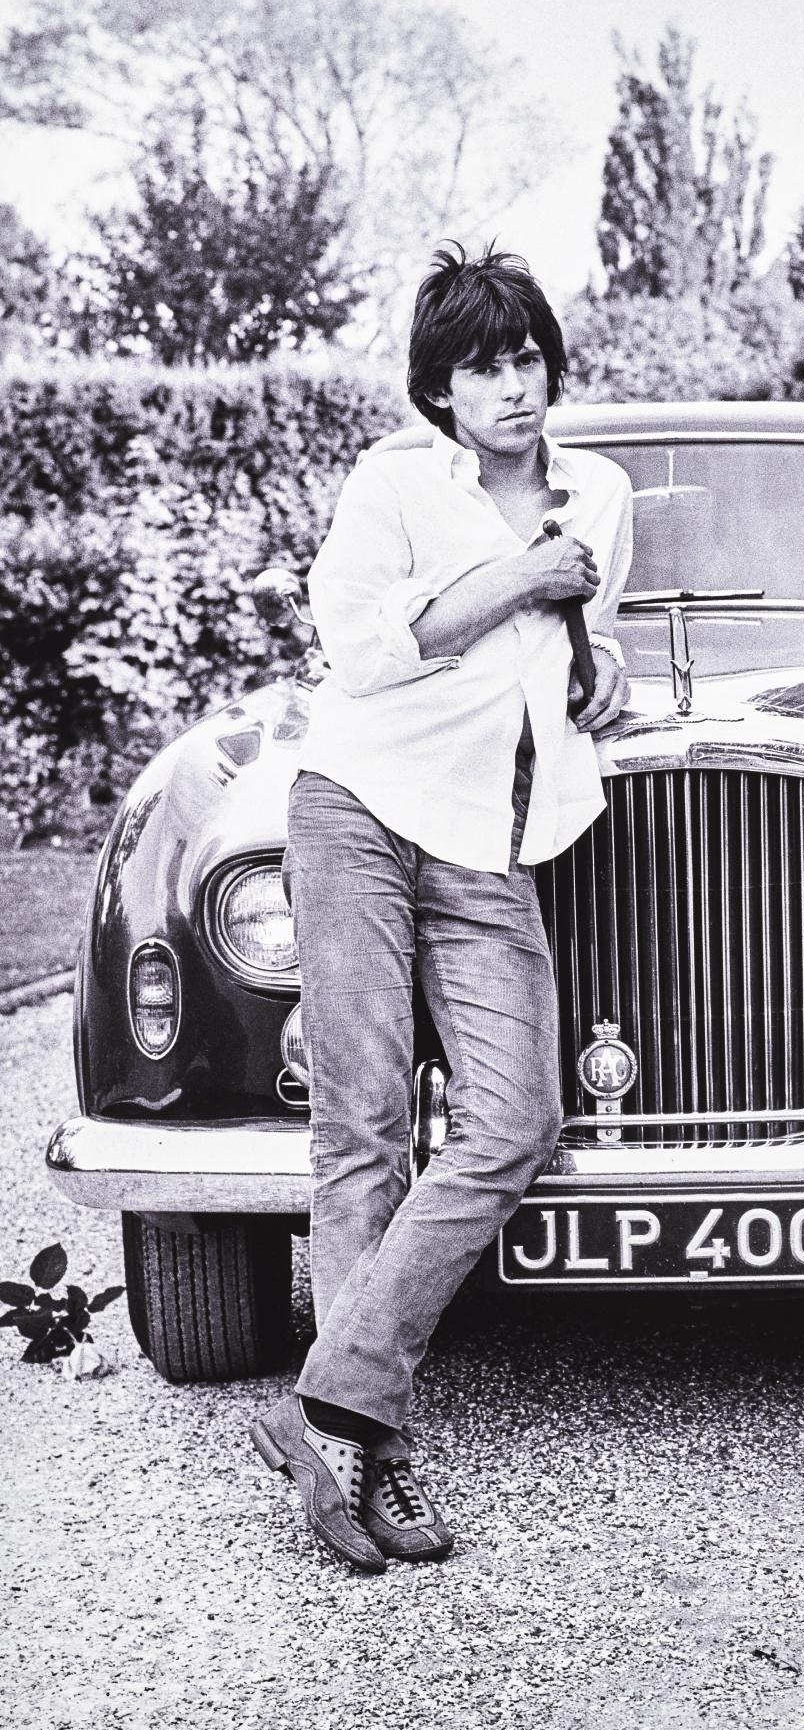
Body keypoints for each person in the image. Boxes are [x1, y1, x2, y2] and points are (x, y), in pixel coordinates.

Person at [250, 242, 632, 1571]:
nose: (512, 386)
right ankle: (371, 1455)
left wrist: (601, 662)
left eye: (526, 356)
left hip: (491, 832)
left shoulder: (603, 494)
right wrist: (520, 580)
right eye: (482, 366)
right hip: (358, 804)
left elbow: (578, 640)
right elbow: (361, 652)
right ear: (442, 389)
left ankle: (330, 1401)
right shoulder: (394, 484)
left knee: (515, 1120)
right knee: (363, 1125)